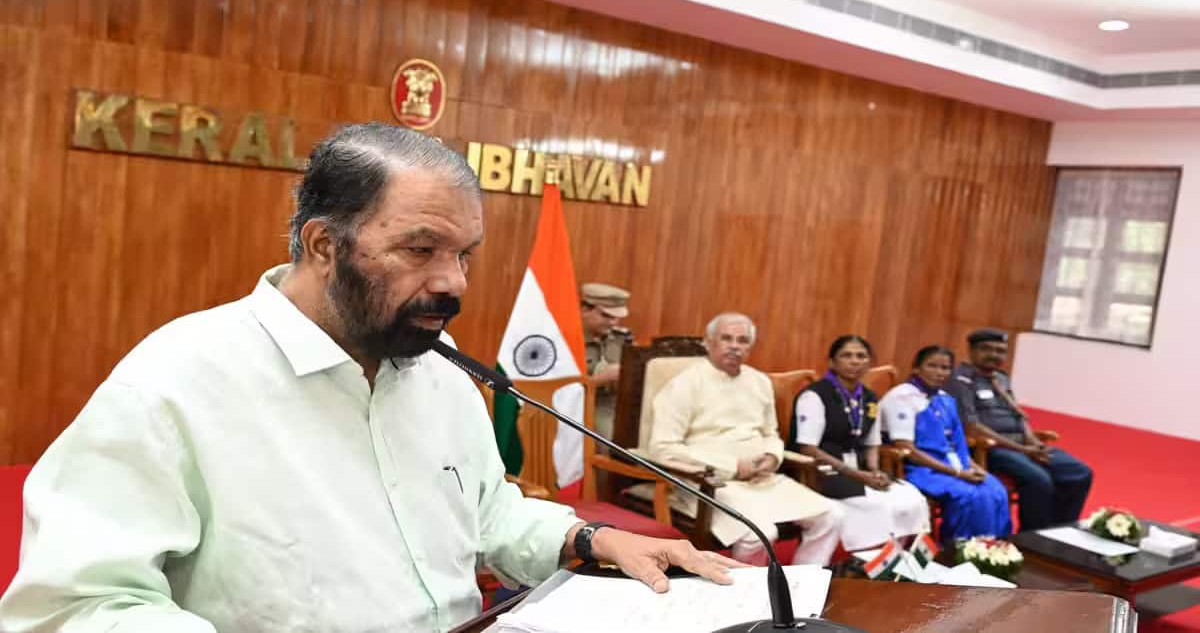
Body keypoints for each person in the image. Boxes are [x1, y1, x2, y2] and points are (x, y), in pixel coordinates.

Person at [0, 123, 741, 633]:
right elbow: (77, 605)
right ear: (324, 244)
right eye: (421, 249)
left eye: (465, 254)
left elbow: (490, 520)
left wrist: (594, 539)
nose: (453, 283)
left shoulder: (439, 375)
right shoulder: (175, 382)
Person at [649, 312, 844, 566]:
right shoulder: (684, 384)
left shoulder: (759, 381)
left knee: (832, 515)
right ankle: (747, 592)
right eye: (726, 338)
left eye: (742, 341)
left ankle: (801, 584)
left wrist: (772, 457)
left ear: (749, 347)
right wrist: (731, 466)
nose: (734, 346)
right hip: (709, 482)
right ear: (708, 343)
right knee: (760, 532)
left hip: (763, 479)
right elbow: (662, 448)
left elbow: (770, 433)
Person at [789, 335, 931, 550]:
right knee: (878, 506)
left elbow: (872, 442)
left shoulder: (870, 397)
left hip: (861, 470)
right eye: (847, 355)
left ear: (869, 363)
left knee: (912, 499)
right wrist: (859, 475)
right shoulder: (815, 395)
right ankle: (863, 564)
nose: (855, 361)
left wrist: (874, 470)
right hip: (825, 471)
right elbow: (808, 447)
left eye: (861, 356)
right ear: (832, 362)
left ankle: (898, 563)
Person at [946, 328, 1093, 531]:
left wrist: (1033, 442)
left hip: (1022, 445)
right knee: (1039, 480)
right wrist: (1023, 450)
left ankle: (1059, 531)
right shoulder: (960, 381)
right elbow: (973, 428)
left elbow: (1016, 414)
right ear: (971, 350)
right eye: (986, 349)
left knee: (1080, 472)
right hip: (992, 448)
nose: (994, 355)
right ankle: (1033, 537)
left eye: (1000, 351)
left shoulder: (1001, 378)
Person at [879, 346, 1012, 546]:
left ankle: (991, 551)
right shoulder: (901, 397)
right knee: (969, 495)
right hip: (921, 469)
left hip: (955, 466)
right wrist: (957, 473)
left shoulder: (946, 399)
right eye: (932, 366)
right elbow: (907, 449)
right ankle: (956, 551)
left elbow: (957, 443)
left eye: (945, 368)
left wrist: (974, 467)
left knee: (995, 490)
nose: (939, 372)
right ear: (916, 368)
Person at [581, 282, 634, 439]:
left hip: (619, 404)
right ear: (585, 309)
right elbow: (555, 389)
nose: (613, 323)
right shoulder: (565, 340)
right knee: (612, 438)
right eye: (606, 316)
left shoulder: (621, 339)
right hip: (584, 406)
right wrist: (598, 380)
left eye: (617, 318)